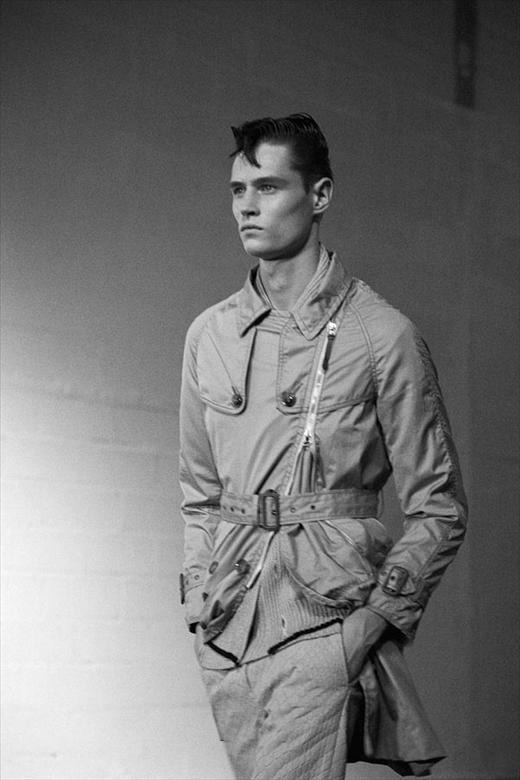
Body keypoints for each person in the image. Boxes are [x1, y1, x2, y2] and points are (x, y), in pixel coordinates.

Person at [179, 113, 467, 780]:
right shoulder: (209, 335)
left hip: (323, 620)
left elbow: (440, 506)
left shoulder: (382, 335)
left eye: (268, 187)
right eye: (238, 190)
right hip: (227, 627)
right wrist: (197, 604)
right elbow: (198, 493)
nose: (247, 206)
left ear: (320, 196)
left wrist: (371, 624)